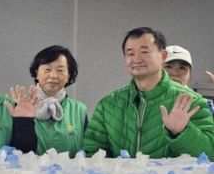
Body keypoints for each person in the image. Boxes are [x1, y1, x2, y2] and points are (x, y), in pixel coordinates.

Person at [83, 27, 214, 158]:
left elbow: (210, 153)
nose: (137, 59)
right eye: (130, 53)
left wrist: (182, 132)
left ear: (163, 56)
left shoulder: (191, 101)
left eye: (144, 52)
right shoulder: (108, 105)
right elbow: (91, 153)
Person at [28, 45, 87, 156]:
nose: (53, 75)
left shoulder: (80, 110)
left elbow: (89, 148)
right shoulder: (22, 107)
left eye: (60, 70)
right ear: (36, 73)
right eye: (47, 69)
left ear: (68, 75)